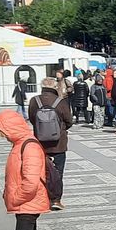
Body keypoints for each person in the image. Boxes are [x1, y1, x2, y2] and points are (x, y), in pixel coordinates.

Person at [28, 77, 72, 211]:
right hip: (58, 143)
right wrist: (60, 129)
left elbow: (32, 119)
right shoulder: (60, 101)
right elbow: (69, 120)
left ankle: (43, 198)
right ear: (55, 87)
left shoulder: (34, 101)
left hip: (40, 143)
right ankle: (56, 200)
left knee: (42, 172)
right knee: (58, 172)